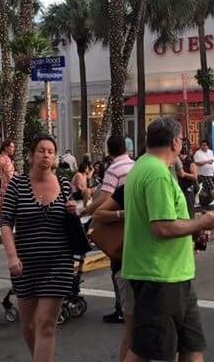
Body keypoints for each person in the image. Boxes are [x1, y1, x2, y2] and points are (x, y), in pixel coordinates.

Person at [122, 118, 214, 362]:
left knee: (192, 346)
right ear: (174, 142)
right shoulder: (157, 173)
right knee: (151, 351)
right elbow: (163, 227)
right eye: (183, 140)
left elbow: (166, 221)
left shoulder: (144, 166)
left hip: (173, 274)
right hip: (159, 275)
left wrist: (193, 228)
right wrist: (202, 222)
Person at [0, 134, 77, 362]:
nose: (46, 155)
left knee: (45, 324)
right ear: (31, 155)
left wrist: (74, 210)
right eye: (42, 150)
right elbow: (5, 223)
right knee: (29, 325)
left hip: (58, 263)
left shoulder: (63, 184)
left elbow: (71, 219)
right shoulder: (17, 184)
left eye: (51, 151)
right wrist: (12, 257)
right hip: (25, 265)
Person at [84, 135, 135, 324]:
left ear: (109, 150)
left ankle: (121, 308)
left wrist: (85, 210)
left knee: (117, 263)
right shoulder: (134, 165)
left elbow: (104, 199)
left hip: (118, 221)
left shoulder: (114, 169)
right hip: (134, 221)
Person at [93, 184, 132, 361]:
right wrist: (123, 214)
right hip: (126, 264)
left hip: (152, 267)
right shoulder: (130, 186)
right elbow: (99, 213)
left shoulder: (164, 183)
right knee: (133, 333)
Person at [194, 140, 214, 208]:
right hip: (204, 174)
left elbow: (212, 160)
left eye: (205, 145)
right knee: (211, 187)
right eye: (202, 145)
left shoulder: (210, 152)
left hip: (212, 172)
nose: (203, 146)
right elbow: (197, 163)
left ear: (208, 146)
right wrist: (206, 161)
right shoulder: (198, 153)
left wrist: (209, 162)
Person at [175, 144, 198, 217]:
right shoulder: (177, 160)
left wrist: (184, 174)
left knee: (190, 210)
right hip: (180, 188)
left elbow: (195, 176)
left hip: (188, 189)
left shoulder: (190, 162)